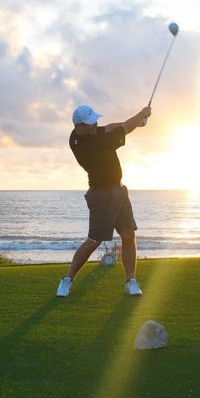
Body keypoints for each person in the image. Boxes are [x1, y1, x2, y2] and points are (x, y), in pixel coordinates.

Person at [56, 104, 152, 297]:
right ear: (79, 126)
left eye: (94, 122)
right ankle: (67, 280)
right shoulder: (91, 144)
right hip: (101, 194)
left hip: (118, 190)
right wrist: (141, 114)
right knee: (94, 241)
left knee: (128, 234)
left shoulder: (81, 134)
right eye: (91, 123)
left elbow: (110, 127)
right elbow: (124, 128)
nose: (95, 125)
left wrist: (136, 122)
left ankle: (131, 281)